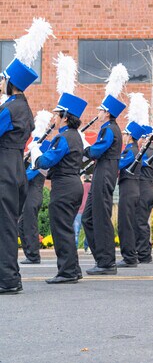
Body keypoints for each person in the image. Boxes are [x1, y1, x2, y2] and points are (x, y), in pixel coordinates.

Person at [32, 93, 87, 284]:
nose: (54, 118)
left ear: (65, 116)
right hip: (72, 185)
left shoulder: (63, 137)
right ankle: (74, 269)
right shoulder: (76, 136)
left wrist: (36, 155)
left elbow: (49, 160)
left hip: (64, 187)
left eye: (57, 114)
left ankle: (67, 272)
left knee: (61, 229)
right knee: (66, 228)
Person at [0, 59, 37, 294]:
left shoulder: (9, 108)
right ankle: (11, 276)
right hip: (16, 168)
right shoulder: (23, 107)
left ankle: (8, 279)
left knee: (4, 227)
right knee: (8, 225)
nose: (1, 82)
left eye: (3, 79)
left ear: (10, 82)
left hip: (4, 167)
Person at [81, 94, 125, 275]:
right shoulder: (108, 128)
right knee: (88, 218)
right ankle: (101, 257)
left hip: (105, 172)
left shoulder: (110, 129)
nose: (98, 112)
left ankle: (107, 262)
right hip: (101, 172)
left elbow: (99, 149)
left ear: (107, 113)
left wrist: (84, 147)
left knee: (101, 217)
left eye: (100, 109)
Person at [115, 121, 145, 268]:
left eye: (125, 134)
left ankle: (129, 257)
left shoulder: (130, 151)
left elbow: (118, 165)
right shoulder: (133, 150)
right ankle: (130, 255)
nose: (124, 136)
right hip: (131, 188)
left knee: (125, 224)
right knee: (129, 222)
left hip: (129, 188)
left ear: (130, 136)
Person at [19, 143, 48, 265]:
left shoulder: (38, 166)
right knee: (21, 225)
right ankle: (29, 253)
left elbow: (26, 177)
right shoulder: (31, 165)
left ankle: (34, 255)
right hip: (29, 196)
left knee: (30, 225)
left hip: (33, 196)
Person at [135, 126, 153, 263]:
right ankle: (143, 250)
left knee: (141, 222)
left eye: (141, 137)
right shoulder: (148, 151)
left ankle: (144, 253)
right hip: (145, 188)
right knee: (141, 221)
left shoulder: (147, 152)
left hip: (144, 188)